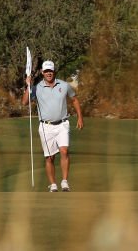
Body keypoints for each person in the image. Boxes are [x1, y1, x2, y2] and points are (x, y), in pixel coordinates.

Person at [23, 60, 84, 192]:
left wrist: (80, 118)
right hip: (46, 126)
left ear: (54, 71)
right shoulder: (37, 88)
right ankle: (53, 184)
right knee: (50, 157)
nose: (49, 73)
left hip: (62, 124)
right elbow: (24, 102)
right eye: (46, 71)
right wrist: (28, 86)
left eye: (50, 71)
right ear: (42, 72)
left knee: (64, 151)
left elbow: (74, 100)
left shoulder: (64, 85)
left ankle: (64, 181)